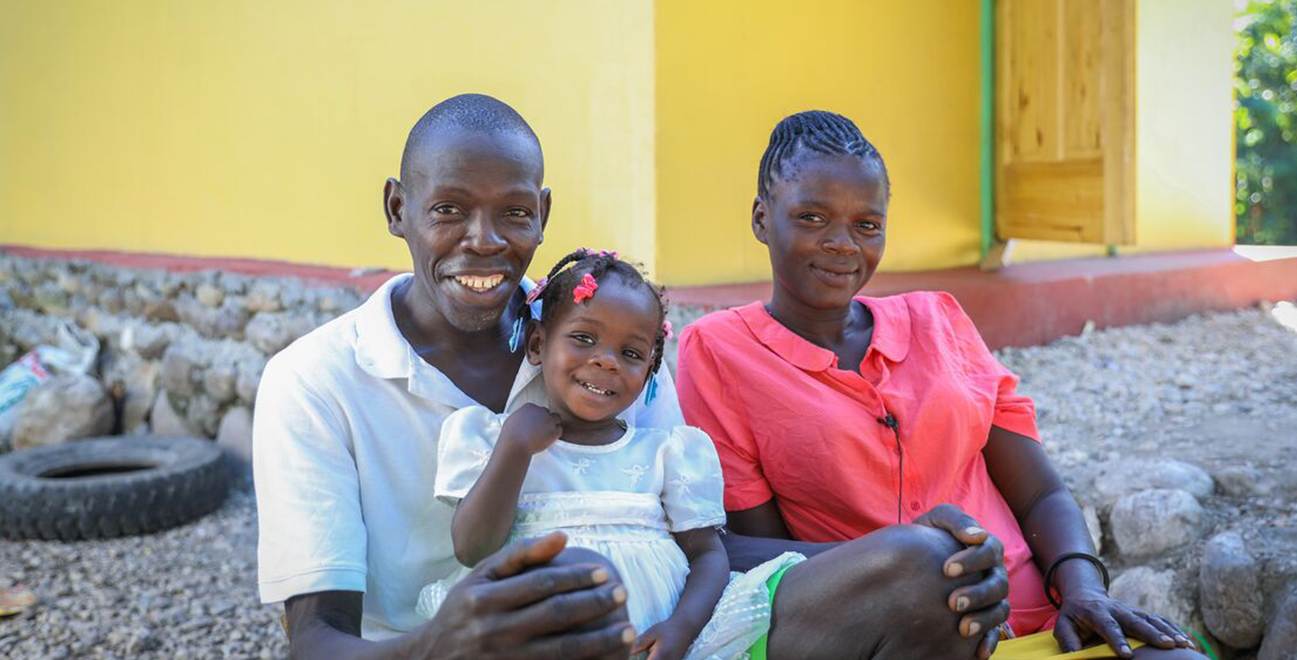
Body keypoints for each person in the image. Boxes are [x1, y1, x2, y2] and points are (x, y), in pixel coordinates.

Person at [254, 94, 1012, 660]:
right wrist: (440, 644)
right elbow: (316, 641)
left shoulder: (600, 343)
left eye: (513, 214)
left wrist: (905, 551)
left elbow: (686, 542)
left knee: (927, 578)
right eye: (448, 209)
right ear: (397, 207)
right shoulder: (315, 384)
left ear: (542, 216)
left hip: (659, 634)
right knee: (574, 591)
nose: (482, 242)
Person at [676, 110, 1207, 659]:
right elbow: (758, 559)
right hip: (894, 632)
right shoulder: (720, 350)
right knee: (928, 565)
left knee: (1176, 658)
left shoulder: (939, 319)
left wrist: (1084, 590)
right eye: (812, 217)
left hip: (1038, 625)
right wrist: (911, 566)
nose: (843, 243)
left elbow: (1041, 491)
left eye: (867, 224)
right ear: (762, 219)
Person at [419, 249, 804, 659]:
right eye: (584, 339)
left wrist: (682, 627)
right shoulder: (495, 439)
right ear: (537, 344)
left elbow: (708, 554)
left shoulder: (665, 453)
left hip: (651, 643)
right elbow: (473, 549)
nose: (606, 361)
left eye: (631, 354)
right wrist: (514, 449)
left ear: (650, 372)